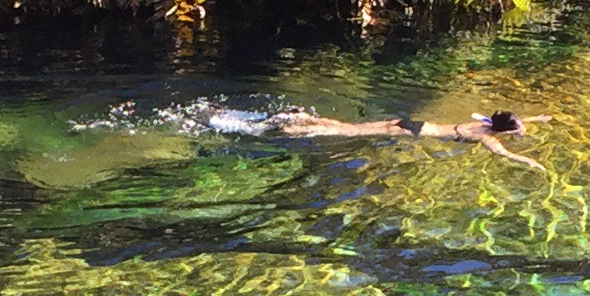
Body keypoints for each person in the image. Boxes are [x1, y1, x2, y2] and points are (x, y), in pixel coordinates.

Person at [214, 106, 549, 163]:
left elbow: (507, 121)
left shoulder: (483, 123)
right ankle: (289, 129)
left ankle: (302, 117)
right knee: (342, 135)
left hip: (410, 122)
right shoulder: (487, 138)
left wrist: (537, 117)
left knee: (350, 127)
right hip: (413, 136)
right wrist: (531, 161)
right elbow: (505, 154)